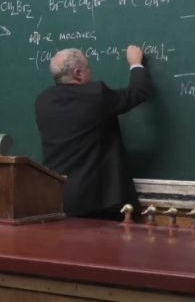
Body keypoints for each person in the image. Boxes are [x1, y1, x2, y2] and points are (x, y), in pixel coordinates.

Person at [34, 46, 152, 219]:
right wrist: (135, 63)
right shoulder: (96, 95)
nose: (91, 71)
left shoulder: (43, 101)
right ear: (78, 73)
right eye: (88, 68)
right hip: (96, 202)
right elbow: (137, 92)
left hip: (56, 197)